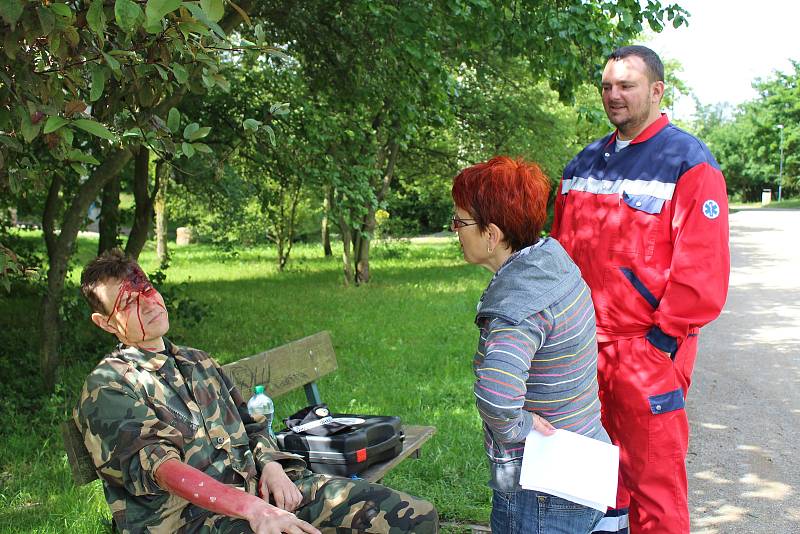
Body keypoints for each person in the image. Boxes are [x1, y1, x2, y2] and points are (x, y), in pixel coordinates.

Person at [74, 249, 439, 534]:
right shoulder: (110, 387)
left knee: (414, 518)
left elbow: (253, 424)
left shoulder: (197, 362)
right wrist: (252, 509)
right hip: (194, 522)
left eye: (147, 289)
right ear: (105, 322)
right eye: (128, 303)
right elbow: (164, 469)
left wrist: (272, 466)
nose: (148, 303)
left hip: (264, 493)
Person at [551, 45, 730, 534]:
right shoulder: (583, 163)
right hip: (582, 352)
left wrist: (659, 346)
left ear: (656, 90)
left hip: (645, 354)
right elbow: (559, 256)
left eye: (626, 85)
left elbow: (702, 272)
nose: (614, 95)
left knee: (654, 490)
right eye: (607, 86)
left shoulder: (689, 162)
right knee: (594, 485)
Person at [451, 156, 610, 534]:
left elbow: (496, 395)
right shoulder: (552, 262)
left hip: (541, 486)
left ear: (491, 235)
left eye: (460, 221)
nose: (454, 230)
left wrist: (517, 425)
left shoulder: (517, 307)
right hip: (582, 457)